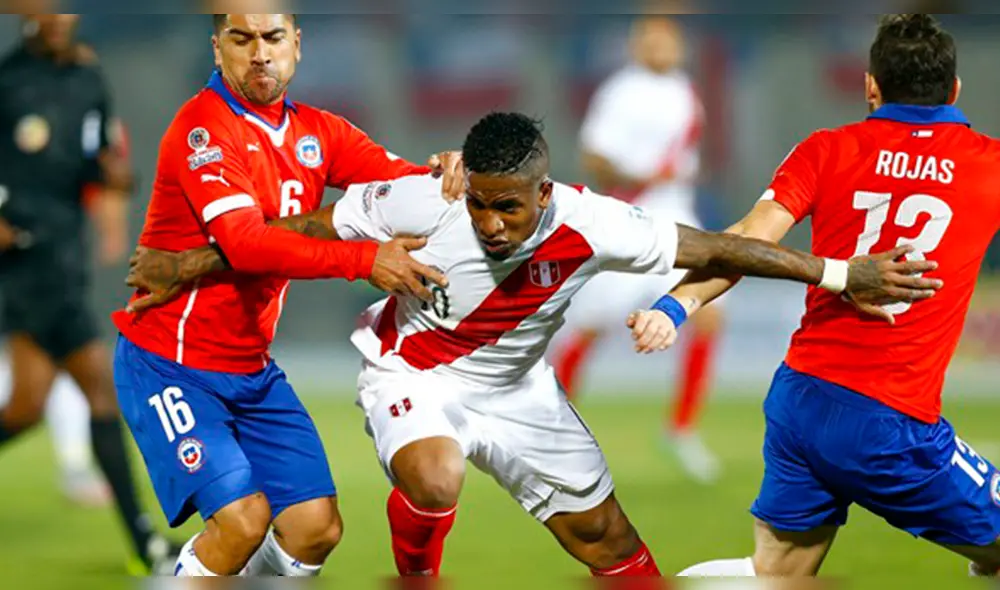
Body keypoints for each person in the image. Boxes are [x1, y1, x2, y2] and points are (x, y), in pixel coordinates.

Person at [126, 111, 939, 578]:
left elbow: (717, 248)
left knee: (612, 546)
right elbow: (309, 225)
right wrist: (187, 265)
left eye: (508, 207)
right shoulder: (425, 196)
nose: (488, 223)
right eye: (479, 204)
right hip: (413, 374)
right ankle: (418, 579)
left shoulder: (597, 222)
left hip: (521, 394)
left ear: (544, 193)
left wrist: (836, 273)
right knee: (435, 472)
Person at [629, 14, 1000, 578]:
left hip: (800, 400)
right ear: (955, 90)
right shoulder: (988, 164)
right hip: (888, 422)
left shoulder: (829, 149)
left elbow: (746, 242)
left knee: (775, 572)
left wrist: (677, 304)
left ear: (871, 85)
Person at [110, 13, 463, 577]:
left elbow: (398, 188)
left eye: (272, 38)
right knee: (242, 522)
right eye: (241, 38)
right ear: (218, 47)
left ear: (296, 45)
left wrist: (444, 173)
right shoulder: (203, 128)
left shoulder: (320, 132)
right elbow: (247, 246)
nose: (259, 53)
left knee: (314, 529)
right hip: (171, 363)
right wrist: (366, 260)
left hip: (251, 370)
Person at [0, 14, 178, 573]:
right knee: (101, 388)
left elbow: (99, 154)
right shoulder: (7, 80)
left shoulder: (87, 79)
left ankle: (144, 543)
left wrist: (113, 181)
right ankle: (145, 542)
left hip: (66, 254)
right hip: (25, 260)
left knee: (27, 404)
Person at [553, 16, 725, 482]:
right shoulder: (621, 92)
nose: (664, 48)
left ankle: (681, 429)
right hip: (628, 222)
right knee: (589, 329)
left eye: (670, 40)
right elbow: (595, 158)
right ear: (637, 45)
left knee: (708, 312)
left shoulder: (684, 89)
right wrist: (646, 178)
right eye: (654, 40)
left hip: (678, 222)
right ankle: (551, 424)